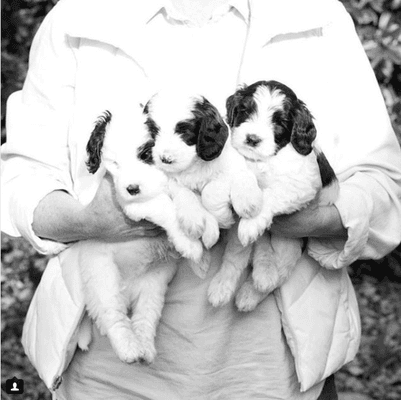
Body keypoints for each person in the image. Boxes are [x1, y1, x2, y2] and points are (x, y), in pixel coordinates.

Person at [2, 0, 401, 399]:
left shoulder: (317, 17)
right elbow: (22, 175)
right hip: (108, 376)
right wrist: (93, 221)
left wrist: (287, 211)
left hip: (273, 373)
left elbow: (383, 186)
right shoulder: (78, 18)